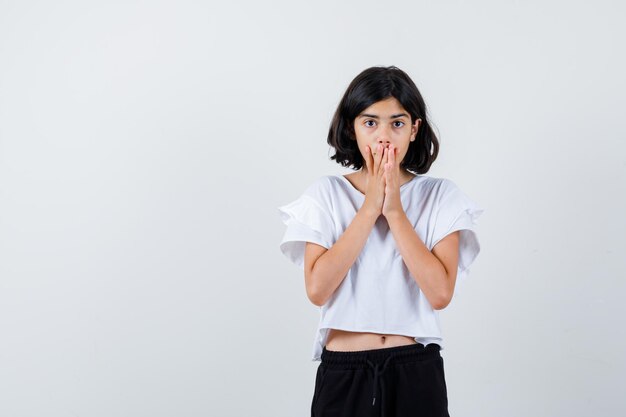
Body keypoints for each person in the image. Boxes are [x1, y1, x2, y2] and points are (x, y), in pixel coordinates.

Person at [277, 65, 485, 417]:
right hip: (346, 371)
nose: (384, 136)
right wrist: (370, 206)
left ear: (415, 129)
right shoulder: (325, 194)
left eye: (397, 123)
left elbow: (440, 293)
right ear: (351, 127)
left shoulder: (440, 196)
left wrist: (395, 212)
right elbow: (318, 289)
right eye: (370, 122)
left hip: (414, 368)